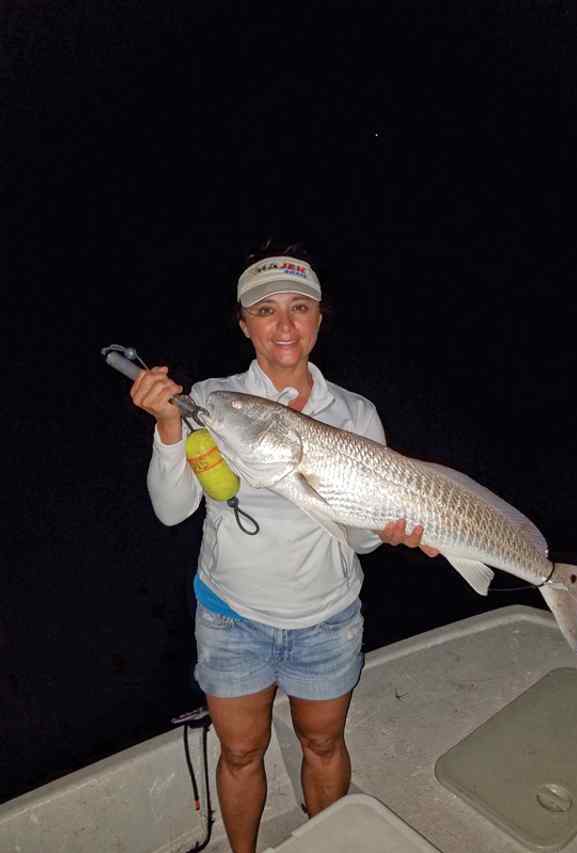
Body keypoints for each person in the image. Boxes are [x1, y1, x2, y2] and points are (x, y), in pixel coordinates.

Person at [131, 245, 438, 853]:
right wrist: (168, 427)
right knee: (241, 752)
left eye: (300, 307)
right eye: (265, 310)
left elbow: (360, 539)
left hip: (327, 618)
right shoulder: (215, 400)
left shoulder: (354, 413)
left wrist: (386, 530)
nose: (285, 325)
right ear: (244, 323)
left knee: (322, 743)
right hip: (232, 616)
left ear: (319, 317)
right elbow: (171, 510)